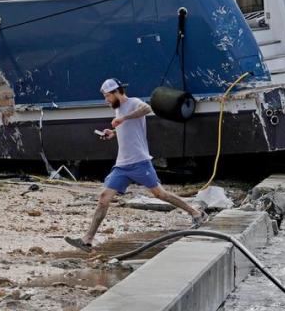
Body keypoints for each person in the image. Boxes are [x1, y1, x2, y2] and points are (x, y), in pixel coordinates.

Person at [65, 78, 207, 251]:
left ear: (116, 92)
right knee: (104, 199)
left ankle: (196, 213)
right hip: (122, 165)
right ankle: (87, 240)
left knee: (160, 194)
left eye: (107, 96)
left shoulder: (133, 103)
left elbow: (147, 109)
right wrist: (113, 132)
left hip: (140, 161)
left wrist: (123, 118)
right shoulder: (118, 109)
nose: (106, 100)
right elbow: (127, 128)